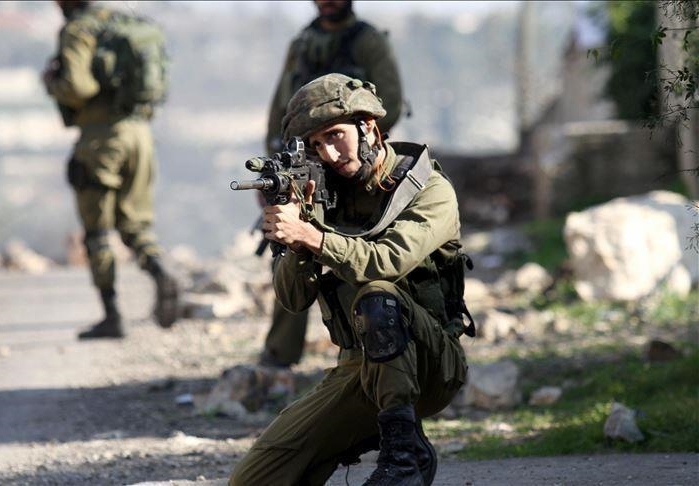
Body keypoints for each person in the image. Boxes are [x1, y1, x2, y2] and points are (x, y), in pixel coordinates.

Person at [230, 73, 471, 485]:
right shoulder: (327, 194)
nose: (328, 152)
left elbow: (386, 262)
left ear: (369, 127)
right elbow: (293, 299)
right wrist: (298, 236)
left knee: (377, 295)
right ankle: (383, 436)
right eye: (316, 145)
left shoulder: (428, 189)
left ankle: (404, 456)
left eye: (335, 135)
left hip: (432, 365)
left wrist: (313, 236)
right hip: (359, 369)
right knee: (253, 480)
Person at [259, 0, 405, 369]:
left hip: (359, 162)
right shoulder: (302, 43)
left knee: (366, 256)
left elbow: (390, 102)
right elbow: (280, 107)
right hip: (307, 163)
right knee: (292, 245)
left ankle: (373, 356)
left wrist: (353, 149)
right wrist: (277, 168)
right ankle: (280, 353)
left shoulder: (367, 41)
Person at [43, 0, 179, 339]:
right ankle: (160, 269)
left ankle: (112, 315)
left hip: (101, 139)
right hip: (140, 134)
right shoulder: (121, 21)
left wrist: (51, 82)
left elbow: (78, 87)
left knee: (98, 231)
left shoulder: (78, 29)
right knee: (135, 223)